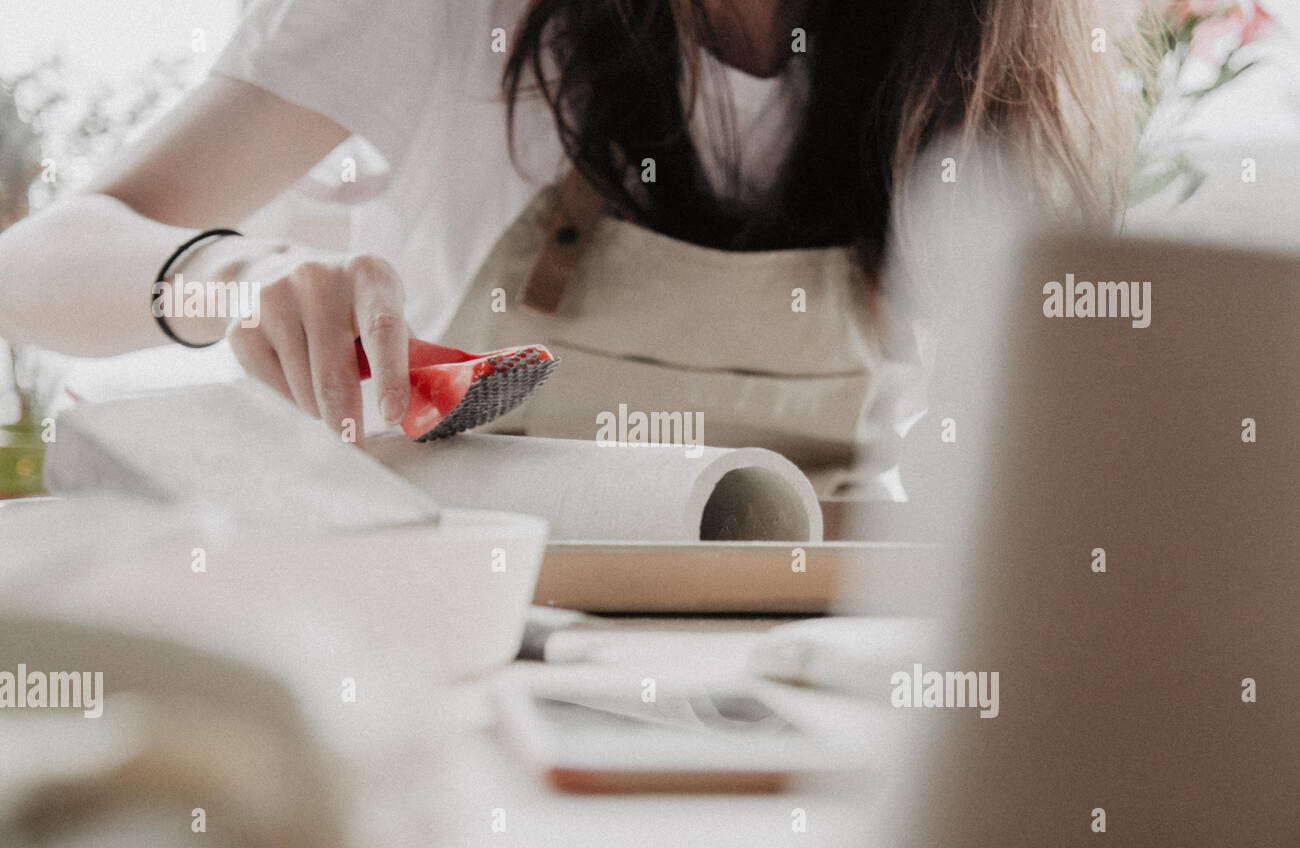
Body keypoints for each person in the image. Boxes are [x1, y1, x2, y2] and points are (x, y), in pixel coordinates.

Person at [0, 0, 1147, 494]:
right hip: (479, 644)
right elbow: (38, 261)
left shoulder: (989, 44)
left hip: (804, 669)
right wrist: (230, 277)